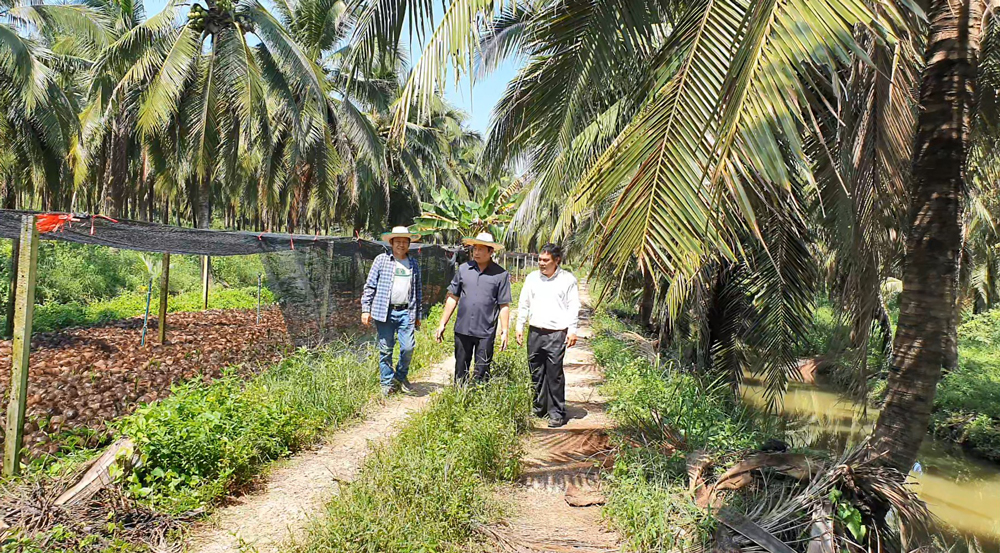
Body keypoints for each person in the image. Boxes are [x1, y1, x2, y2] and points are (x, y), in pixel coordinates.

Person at [515, 244, 580, 428]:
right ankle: (539, 408)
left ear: (557, 260)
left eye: (546, 260)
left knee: (554, 373)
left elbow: (573, 306)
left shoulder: (568, 280)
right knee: (536, 371)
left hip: (556, 333)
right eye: (540, 260)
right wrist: (519, 326)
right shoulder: (532, 278)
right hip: (535, 331)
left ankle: (557, 413)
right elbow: (524, 303)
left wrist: (572, 330)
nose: (541, 264)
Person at [435, 232, 512, 384]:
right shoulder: (463, 269)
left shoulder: (501, 275)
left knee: (482, 371)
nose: (476, 252)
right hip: (463, 329)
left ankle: (478, 397)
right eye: (474, 249)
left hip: (486, 331)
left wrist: (505, 330)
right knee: (460, 369)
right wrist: (442, 323)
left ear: (491, 251)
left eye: (481, 249)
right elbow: (453, 297)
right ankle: (459, 398)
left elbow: (504, 304)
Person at [361, 226, 423, 397]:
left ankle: (400, 378)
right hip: (384, 312)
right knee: (386, 349)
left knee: (408, 347)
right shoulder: (381, 260)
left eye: (405, 242)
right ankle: (387, 383)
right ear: (392, 243)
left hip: (406, 312)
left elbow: (418, 290)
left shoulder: (413, 264)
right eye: (398, 241)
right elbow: (370, 286)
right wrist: (366, 309)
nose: (401, 245)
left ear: (409, 244)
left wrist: (418, 315)